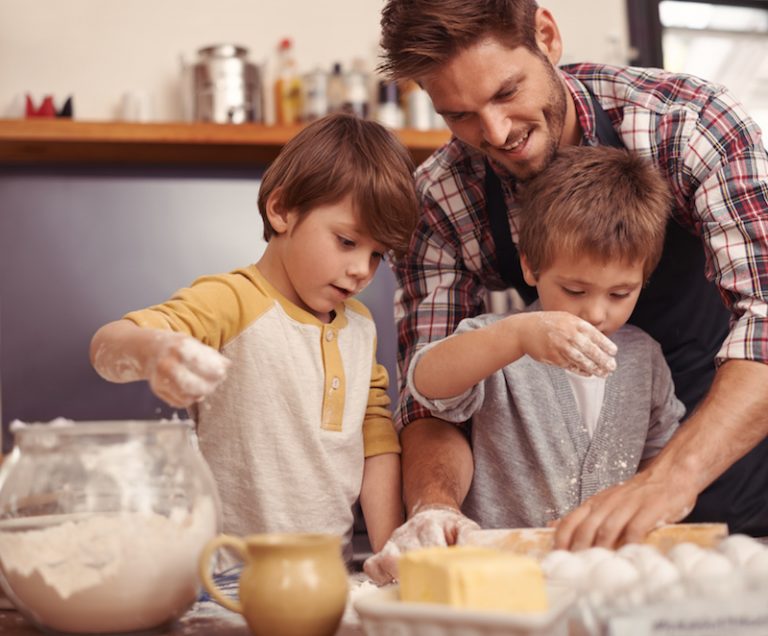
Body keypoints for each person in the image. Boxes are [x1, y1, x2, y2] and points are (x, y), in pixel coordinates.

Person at [365, 0, 768, 580]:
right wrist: (436, 508)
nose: (497, 134)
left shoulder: (686, 122)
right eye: (460, 115)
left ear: (547, 37)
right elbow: (430, 400)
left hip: (724, 465)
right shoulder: (440, 201)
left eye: (506, 93)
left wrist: (666, 481)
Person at [90, 113, 419, 564]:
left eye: (377, 253)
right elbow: (109, 344)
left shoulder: (360, 327)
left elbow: (376, 440)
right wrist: (156, 352)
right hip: (226, 578)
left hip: (325, 574)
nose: (363, 269)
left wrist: (389, 551)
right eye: (346, 241)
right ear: (282, 210)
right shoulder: (232, 301)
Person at [365, 144, 684, 581]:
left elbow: (660, 460)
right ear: (531, 266)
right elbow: (427, 384)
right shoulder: (497, 339)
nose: (595, 313)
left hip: (603, 577)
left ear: (644, 278)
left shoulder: (645, 357)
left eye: (619, 294)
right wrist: (517, 336)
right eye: (574, 290)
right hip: (498, 575)